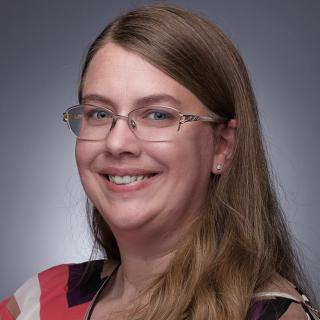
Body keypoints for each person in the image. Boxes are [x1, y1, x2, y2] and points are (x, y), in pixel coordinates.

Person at [0, 5, 319, 320]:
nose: (117, 142)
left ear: (222, 146)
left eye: (158, 115)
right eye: (99, 113)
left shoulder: (268, 316)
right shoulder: (37, 302)